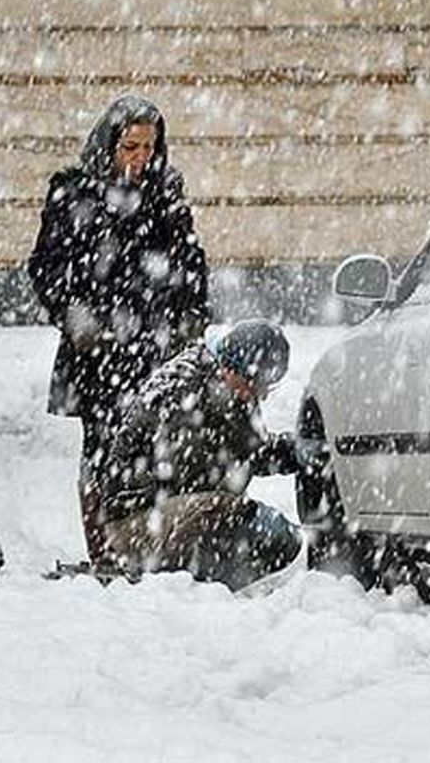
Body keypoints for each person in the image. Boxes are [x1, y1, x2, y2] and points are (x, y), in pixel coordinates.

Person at [27, 95, 209, 564]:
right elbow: (46, 266)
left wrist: (190, 315)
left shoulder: (165, 192)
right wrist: (76, 317)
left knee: (159, 450)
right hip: (98, 352)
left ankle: (150, 547)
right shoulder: (74, 192)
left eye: (149, 147)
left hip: (155, 346)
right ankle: (104, 550)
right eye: (130, 146)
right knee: (104, 448)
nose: (140, 158)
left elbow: (189, 261)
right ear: (108, 144)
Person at [96, 319, 306, 584]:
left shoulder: (228, 383)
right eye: (256, 385)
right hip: (135, 522)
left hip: (170, 512)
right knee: (241, 518)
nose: (261, 395)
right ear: (233, 366)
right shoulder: (186, 392)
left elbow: (253, 451)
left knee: (278, 536)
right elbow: (200, 477)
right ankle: (164, 578)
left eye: (267, 387)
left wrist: (298, 451)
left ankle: (202, 581)